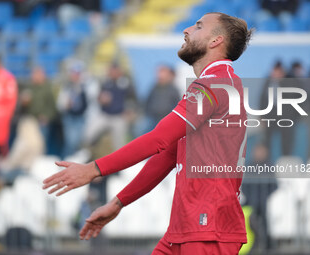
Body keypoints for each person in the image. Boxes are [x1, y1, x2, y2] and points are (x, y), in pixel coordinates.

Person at [43, 12, 252, 254]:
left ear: (216, 41)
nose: (186, 30)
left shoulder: (214, 84)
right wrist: (119, 202)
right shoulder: (219, 82)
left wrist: (93, 169)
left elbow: (158, 138)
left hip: (208, 226)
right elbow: (167, 155)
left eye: (197, 26)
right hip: (187, 227)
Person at [85, 62, 136, 152]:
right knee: (89, 134)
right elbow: (98, 96)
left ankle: (121, 160)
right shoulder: (105, 83)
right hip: (105, 114)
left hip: (119, 116)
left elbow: (132, 99)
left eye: (114, 71)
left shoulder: (125, 83)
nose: (112, 73)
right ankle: (89, 152)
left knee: (119, 143)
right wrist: (101, 99)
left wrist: (129, 111)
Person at [20, 67, 57, 152]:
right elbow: (23, 106)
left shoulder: (48, 88)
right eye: (34, 74)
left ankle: (40, 160)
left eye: (37, 74)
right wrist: (24, 102)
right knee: (30, 144)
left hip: (41, 121)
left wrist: (47, 116)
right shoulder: (29, 87)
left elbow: (52, 106)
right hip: (30, 120)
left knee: (41, 143)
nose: (35, 77)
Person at [57, 60, 88, 158]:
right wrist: (66, 104)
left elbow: (91, 101)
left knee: (78, 141)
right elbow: (60, 104)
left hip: (81, 117)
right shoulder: (67, 86)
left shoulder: (86, 86)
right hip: (70, 117)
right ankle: (66, 160)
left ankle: (73, 160)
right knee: (70, 141)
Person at [144, 65, 180, 132]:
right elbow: (148, 101)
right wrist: (148, 112)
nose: (160, 75)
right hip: (153, 118)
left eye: (162, 73)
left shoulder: (173, 89)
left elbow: (177, 104)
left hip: (166, 119)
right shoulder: (154, 87)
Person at [0, 55, 17, 166]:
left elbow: (11, 98)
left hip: (2, 116)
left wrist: (8, 112)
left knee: (2, 141)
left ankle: (4, 164)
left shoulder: (7, 77)